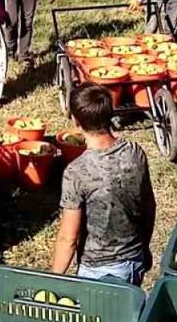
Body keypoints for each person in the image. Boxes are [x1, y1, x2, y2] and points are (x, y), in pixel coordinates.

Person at [49, 83, 155, 285]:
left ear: (76, 121)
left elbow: (68, 239)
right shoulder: (134, 152)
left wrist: (52, 279)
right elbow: (148, 205)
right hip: (134, 259)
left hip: (98, 271)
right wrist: (144, 246)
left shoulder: (77, 172)